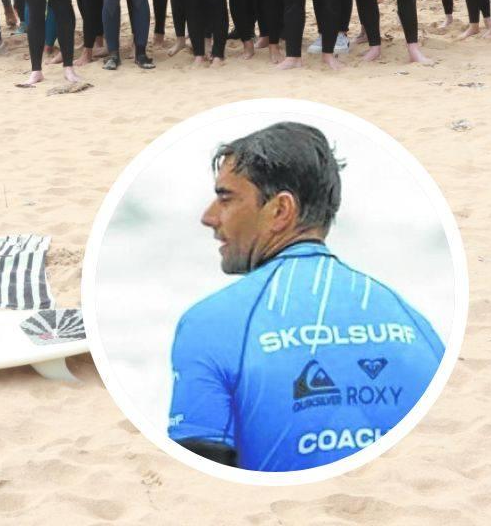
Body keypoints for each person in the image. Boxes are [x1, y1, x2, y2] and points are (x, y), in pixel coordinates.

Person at [169, 122, 444, 472]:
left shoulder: (209, 324)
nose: (208, 217)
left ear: (280, 211)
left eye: (226, 198)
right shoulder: (417, 325)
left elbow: (199, 477)